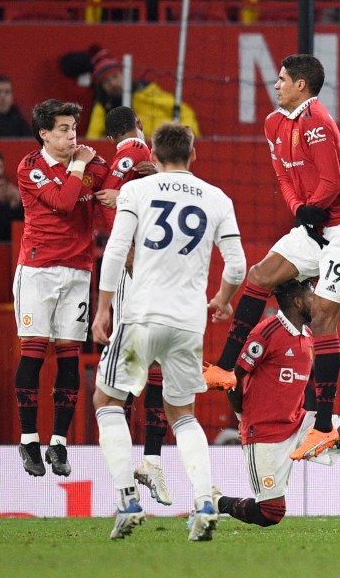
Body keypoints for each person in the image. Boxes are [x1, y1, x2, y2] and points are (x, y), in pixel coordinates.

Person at [212, 54, 340, 463]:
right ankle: (224, 367)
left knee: (321, 317)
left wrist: (313, 207)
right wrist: (299, 210)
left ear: (302, 84)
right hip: (313, 227)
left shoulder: (318, 120)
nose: (277, 85)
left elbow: (334, 181)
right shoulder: (274, 124)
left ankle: (322, 427)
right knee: (260, 274)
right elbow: (284, 175)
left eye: (283, 79)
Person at [91, 122, 246, 541]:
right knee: (182, 413)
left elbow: (116, 250)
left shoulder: (136, 191)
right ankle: (204, 502)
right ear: (193, 155)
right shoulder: (217, 198)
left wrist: (103, 308)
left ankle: (126, 499)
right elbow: (237, 266)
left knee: (107, 399)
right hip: (188, 323)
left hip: (141, 315)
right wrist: (223, 299)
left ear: (153, 157)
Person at [213, 279, 340, 531]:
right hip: (263, 432)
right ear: (297, 302)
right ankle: (215, 501)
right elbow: (233, 377)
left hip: (298, 422)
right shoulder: (266, 333)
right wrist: (243, 414)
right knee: (270, 513)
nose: (316, 300)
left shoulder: (309, 334)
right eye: (311, 295)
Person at [12, 99, 108, 477]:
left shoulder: (91, 164)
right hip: (37, 271)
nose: (72, 136)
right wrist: (82, 165)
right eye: (64, 129)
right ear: (44, 134)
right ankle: (28, 441)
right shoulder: (30, 167)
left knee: (69, 357)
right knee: (34, 354)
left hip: (78, 272)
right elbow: (65, 203)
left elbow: (116, 185)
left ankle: (58, 445)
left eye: (74, 128)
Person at [93, 105, 171, 505]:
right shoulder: (140, 156)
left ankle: (130, 478)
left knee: (123, 378)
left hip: (135, 271)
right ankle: (148, 464)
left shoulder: (126, 160)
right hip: (149, 271)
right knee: (148, 369)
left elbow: (114, 202)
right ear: (139, 125)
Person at [84, 46, 201, 139]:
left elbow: (184, 111)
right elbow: (93, 137)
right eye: (106, 81)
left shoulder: (147, 92)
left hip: (164, 146)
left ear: (124, 75)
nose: (113, 83)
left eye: (115, 76)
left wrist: (188, 135)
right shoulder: (103, 106)